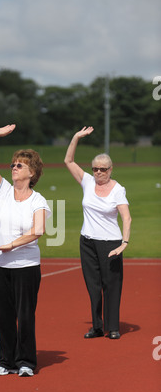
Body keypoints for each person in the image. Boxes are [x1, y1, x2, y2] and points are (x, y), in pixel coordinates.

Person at [0, 125, 51, 376]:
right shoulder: (3, 191)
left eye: (20, 165)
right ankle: (6, 361)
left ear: (32, 172)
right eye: (13, 164)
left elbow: (38, 231)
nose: (14, 167)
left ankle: (26, 362)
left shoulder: (38, 200)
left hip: (25, 267)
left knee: (25, 316)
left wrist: (11, 244)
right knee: (3, 316)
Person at [64, 126, 131, 339]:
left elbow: (126, 218)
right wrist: (75, 137)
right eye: (95, 169)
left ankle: (113, 328)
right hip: (87, 242)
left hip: (110, 243)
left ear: (110, 169)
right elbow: (68, 161)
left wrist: (124, 243)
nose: (98, 172)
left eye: (103, 169)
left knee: (111, 285)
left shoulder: (118, 189)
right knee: (93, 286)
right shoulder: (86, 181)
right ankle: (97, 326)